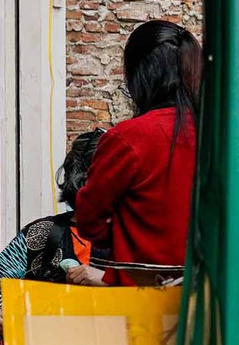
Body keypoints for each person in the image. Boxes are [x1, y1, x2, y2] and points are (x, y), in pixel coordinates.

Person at [76, 20, 202, 285]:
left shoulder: (127, 139)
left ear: (139, 75)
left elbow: (89, 220)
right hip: (210, 292)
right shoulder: (220, 134)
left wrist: (127, 233)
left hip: (141, 294)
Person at [0, 129, 107, 336]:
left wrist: (107, 281)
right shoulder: (43, 233)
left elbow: (161, 295)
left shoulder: (136, 237)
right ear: (84, 179)